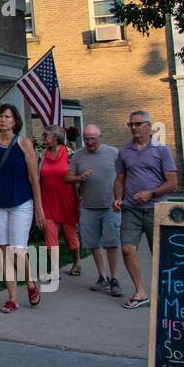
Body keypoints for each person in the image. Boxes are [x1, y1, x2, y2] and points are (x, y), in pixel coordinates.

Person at [0, 103, 46, 313]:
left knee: (18, 251)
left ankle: (30, 282)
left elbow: (34, 178)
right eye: (0, 116)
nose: (3, 120)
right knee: (3, 251)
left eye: (7, 116)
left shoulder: (24, 144)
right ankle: (12, 298)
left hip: (21, 203)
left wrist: (39, 208)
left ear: (15, 121)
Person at [113, 110, 178, 309]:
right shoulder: (124, 152)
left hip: (156, 208)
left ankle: (168, 291)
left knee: (160, 252)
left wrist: (151, 193)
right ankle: (140, 292)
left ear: (149, 126)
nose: (134, 128)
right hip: (131, 209)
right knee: (127, 249)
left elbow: (172, 182)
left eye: (138, 124)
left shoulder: (161, 150)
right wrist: (117, 198)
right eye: (131, 124)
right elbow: (120, 179)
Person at [66, 124, 121, 295]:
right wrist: (79, 177)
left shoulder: (113, 153)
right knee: (93, 243)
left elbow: (123, 176)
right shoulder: (78, 155)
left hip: (110, 206)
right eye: (86, 139)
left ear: (100, 137)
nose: (89, 142)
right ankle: (102, 277)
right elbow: (68, 177)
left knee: (112, 242)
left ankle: (114, 278)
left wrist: (120, 198)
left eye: (93, 139)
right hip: (88, 207)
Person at [39, 126, 80, 277]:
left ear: (55, 138)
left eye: (46, 135)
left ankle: (76, 262)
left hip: (67, 202)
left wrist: (80, 198)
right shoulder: (42, 155)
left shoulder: (69, 154)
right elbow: (37, 178)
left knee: (71, 238)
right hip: (47, 202)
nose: (43, 137)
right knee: (50, 238)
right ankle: (55, 270)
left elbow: (77, 176)